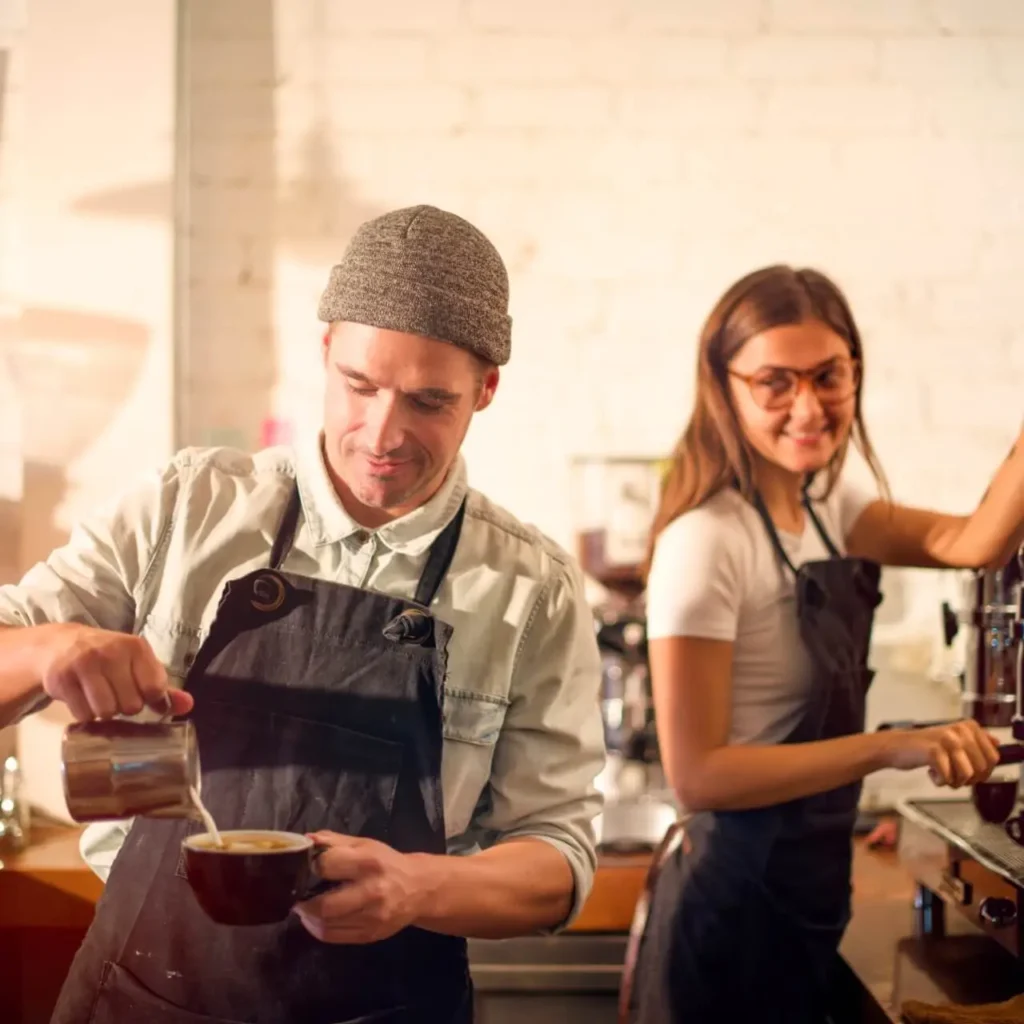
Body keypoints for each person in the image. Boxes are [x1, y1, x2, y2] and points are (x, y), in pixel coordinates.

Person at [0, 205, 605, 1024]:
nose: (382, 433)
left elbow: (558, 856)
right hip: (144, 997)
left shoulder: (532, 590)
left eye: (429, 401)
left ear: (486, 390)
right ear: (325, 352)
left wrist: (419, 887)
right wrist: (50, 650)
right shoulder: (185, 510)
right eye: (359, 386)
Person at [627, 265, 1023, 1024]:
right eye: (774, 382)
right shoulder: (705, 542)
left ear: (855, 373)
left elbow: (975, 543)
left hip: (810, 888)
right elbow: (699, 777)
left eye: (827, 377)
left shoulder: (834, 504)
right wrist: (886, 749)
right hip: (728, 907)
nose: (807, 407)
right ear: (725, 386)